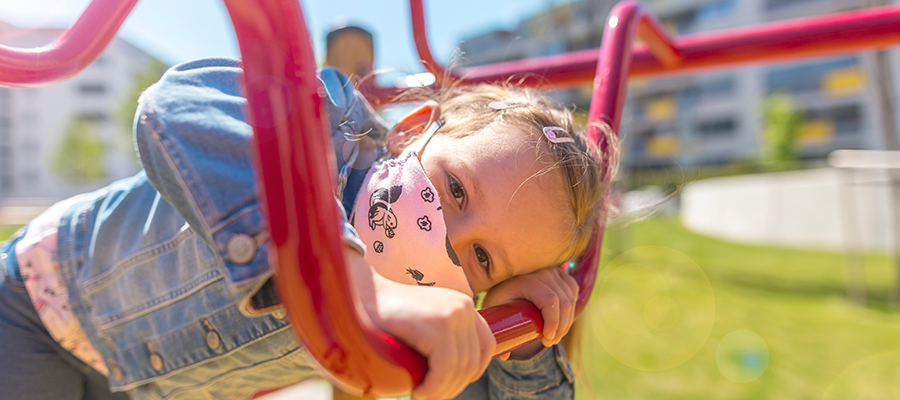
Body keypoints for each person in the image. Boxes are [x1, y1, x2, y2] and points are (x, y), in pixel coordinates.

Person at [0, 57, 613, 400]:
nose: (450, 236)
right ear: (411, 129)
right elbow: (183, 101)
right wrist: (348, 282)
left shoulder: (424, 308)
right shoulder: (332, 133)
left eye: (482, 259)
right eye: (455, 189)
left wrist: (522, 340)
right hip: (35, 305)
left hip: (144, 387)